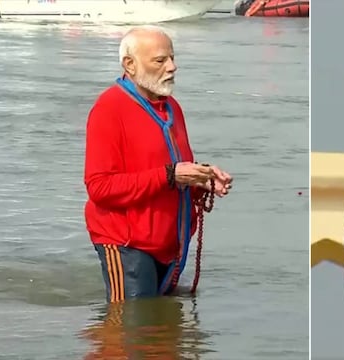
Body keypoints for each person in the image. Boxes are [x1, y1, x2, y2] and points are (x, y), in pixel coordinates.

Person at [83, 25, 233, 303]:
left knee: (162, 338)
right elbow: (99, 187)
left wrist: (203, 180)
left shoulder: (172, 107)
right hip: (126, 243)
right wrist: (170, 175)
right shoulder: (109, 108)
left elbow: (175, 171)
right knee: (130, 334)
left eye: (173, 58)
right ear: (129, 64)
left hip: (170, 243)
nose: (172, 67)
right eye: (160, 60)